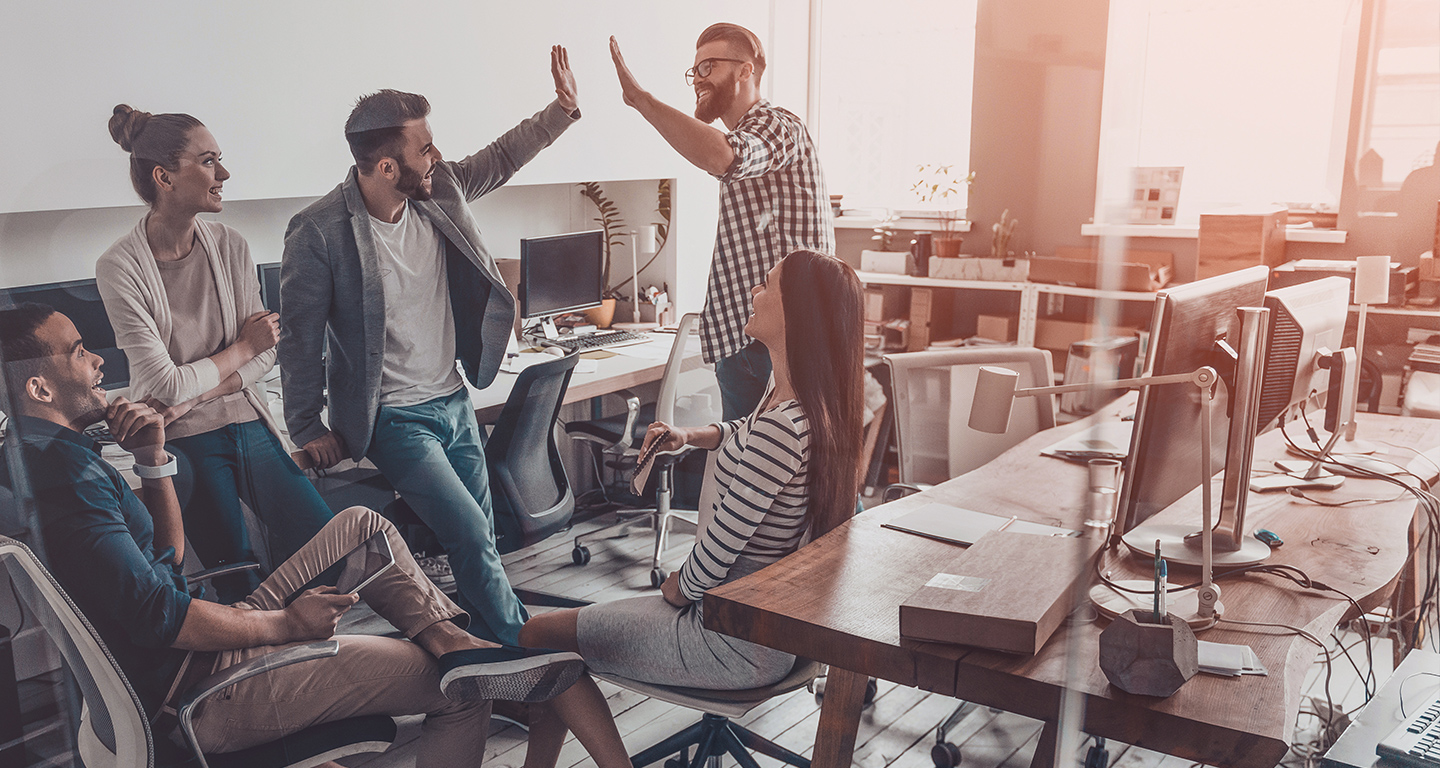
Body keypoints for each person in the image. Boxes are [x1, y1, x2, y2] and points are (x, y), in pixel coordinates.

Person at [0, 304, 586, 766]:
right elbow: (162, 616)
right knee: (463, 694)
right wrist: (284, 625)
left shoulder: (42, 460)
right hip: (202, 689)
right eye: (79, 352)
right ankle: (462, 664)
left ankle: (452, 642)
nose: (98, 360)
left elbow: (165, 561)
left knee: (362, 527)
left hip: (194, 655)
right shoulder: (69, 481)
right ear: (39, 389)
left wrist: (152, 463)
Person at [514, 250, 866, 768]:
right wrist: (692, 435)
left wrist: (675, 588)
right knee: (561, 632)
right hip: (768, 634)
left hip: (728, 640)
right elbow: (744, 435)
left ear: (796, 314)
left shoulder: (781, 429)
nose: (754, 292)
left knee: (538, 636)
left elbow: (712, 560)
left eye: (767, 286)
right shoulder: (807, 408)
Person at [278, 47, 580, 647]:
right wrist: (307, 424)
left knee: (482, 536)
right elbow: (300, 337)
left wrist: (562, 110)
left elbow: (498, 159)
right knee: (468, 533)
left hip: (453, 398)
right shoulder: (319, 232)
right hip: (393, 417)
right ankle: (530, 656)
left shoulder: (438, 190)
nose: (435, 155)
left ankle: (486, 661)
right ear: (387, 167)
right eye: (424, 147)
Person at [96, 105, 334, 603]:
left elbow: (268, 360)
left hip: (247, 419)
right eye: (208, 161)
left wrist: (206, 385)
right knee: (237, 577)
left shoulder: (231, 245)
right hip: (184, 439)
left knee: (330, 543)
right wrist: (242, 347)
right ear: (165, 176)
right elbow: (167, 386)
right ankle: (258, 675)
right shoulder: (119, 266)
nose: (223, 173)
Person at [610, 24, 834, 420]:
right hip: (747, 342)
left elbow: (725, 157)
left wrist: (642, 101)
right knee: (746, 468)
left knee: (773, 474)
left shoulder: (778, 126)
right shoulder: (750, 132)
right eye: (694, 71)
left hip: (780, 346)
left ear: (745, 71)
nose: (697, 80)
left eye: (708, 67)